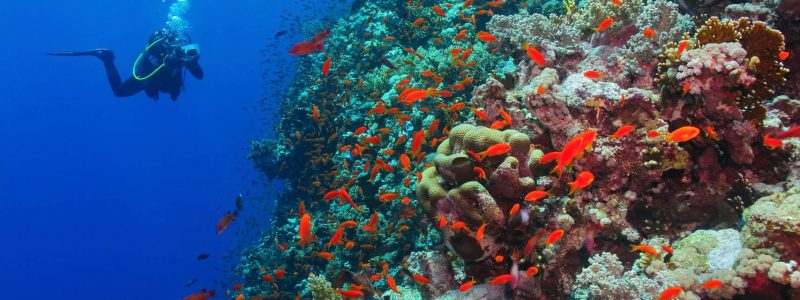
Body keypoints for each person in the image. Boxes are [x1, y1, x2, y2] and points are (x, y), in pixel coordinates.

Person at [48, 28, 203, 100]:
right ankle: (107, 60)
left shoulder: (184, 58)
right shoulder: (167, 55)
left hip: (149, 80)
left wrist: (193, 62)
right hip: (146, 78)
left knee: (121, 91)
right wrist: (176, 61)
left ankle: (107, 59)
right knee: (119, 92)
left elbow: (199, 75)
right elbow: (198, 76)